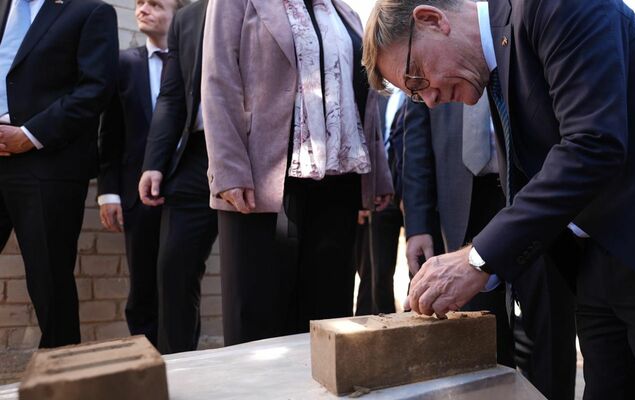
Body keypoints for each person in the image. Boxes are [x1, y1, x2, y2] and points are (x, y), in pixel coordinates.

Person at [362, 0, 635, 398]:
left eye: (417, 78)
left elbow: (593, 144)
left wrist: (478, 259)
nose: (430, 99)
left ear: (433, 19)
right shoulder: (493, 60)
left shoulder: (553, 5)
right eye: (415, 96)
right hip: (600, 255)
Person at [202, 0, 393, 345]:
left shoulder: (345, 12)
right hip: (264, 185)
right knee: (258, 321)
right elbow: (219, 78)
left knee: (327, 319)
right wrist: (228, 168)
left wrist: (378, 172)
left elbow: (364, 96)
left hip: (339, 183)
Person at [402, 96, 576, 400]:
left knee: (547, 329)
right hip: (463, 209)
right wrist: (418, 224)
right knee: (475, 342)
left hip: (532, 198)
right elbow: (417, 145)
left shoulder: (516, 50)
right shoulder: (423, 64)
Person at [0, 0, 117, 348]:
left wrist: (28, 136)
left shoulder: (91, 12)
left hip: (47, 161)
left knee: (49, 281)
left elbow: (95, 89)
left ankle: (62, 380)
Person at [97, 0, 187, 348]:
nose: (142, 9)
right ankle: (146, 361)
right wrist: (109, 192)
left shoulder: (195, 62)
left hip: (186, 192)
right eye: (138, 3)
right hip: (137, 197)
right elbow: (110, 134)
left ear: (178, 13)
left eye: (154, 4)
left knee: (181, 282)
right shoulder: (123, 64)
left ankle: (182, 359)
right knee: (143, 287)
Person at [138, 0, 216, 354]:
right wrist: (154, 162)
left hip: (256, 157)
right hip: (197, 156)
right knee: (174, 267)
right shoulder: (187, 18)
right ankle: (177, 365)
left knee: (253, 274)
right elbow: (171, 96)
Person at [355, 90, 405, 315]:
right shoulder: (380, 97)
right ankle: (385, 324)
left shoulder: (416, 96)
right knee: (379, 272)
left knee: (419, 266)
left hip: (411, 193)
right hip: (383, 198)